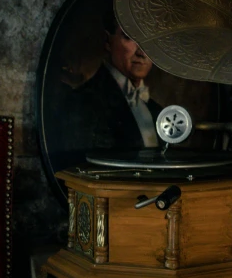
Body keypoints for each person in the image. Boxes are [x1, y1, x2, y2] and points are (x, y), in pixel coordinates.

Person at [57, 11, 162, 166]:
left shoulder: (156, 111)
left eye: (150, 41)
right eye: (130, 37)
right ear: (108, 41)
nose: (142, 52)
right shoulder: (81, 103)